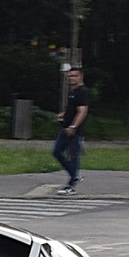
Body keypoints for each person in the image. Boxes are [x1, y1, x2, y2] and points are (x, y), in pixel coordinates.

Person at [53, 66, 92, 195]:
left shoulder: (83, 91)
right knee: (56, 152)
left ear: (81, 76)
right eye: (70, 76)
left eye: (74, 76)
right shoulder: (73, 92)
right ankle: (74, 175)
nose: (72, 78)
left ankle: (71, 185)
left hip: (73, 130)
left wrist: (73, 127)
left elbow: (82, 111)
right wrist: (64, 114)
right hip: (65, 128)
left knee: (72, 156)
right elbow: (73, 109)